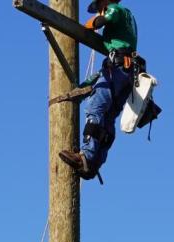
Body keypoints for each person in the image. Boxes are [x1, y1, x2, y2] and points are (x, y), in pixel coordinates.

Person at [58, 0, 139, 180]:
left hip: (117, 68)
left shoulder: (115, 9)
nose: (100, 11)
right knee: (108, 117)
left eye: (101, 8)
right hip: (127, 71)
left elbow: (100, 22)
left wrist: (90, 25)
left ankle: (86, 156)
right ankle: (94, 163)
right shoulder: (128, 20)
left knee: (96, 108)